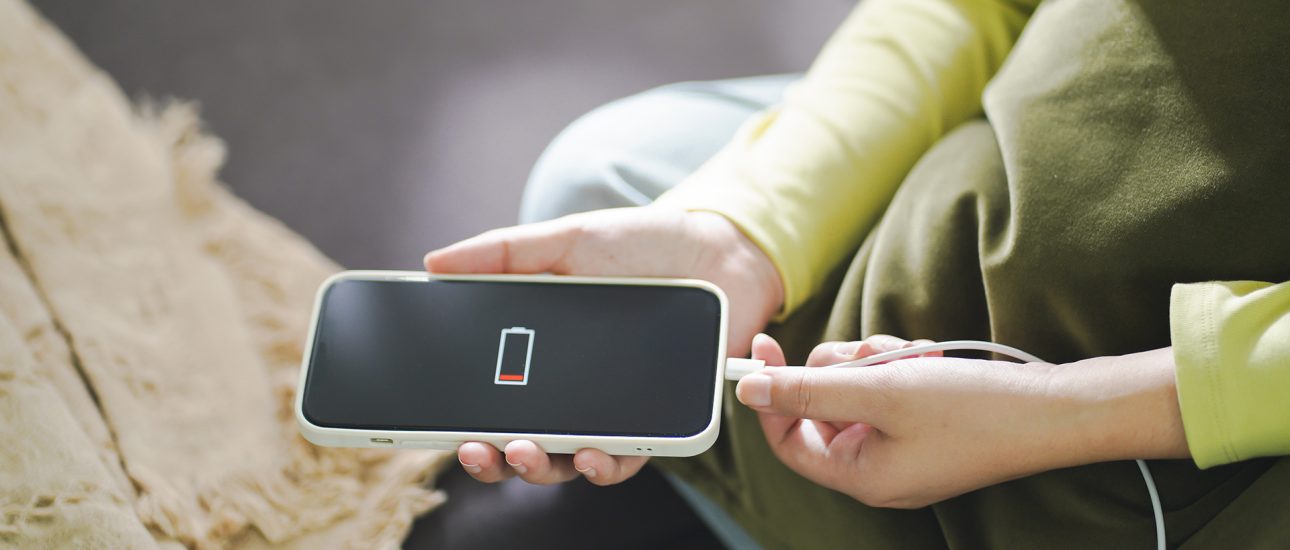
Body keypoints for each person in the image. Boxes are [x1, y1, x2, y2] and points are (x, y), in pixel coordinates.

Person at [425, 0, 1290, 546]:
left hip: (1202, 459)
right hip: (934, 236)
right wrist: (746, 230)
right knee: (597, 175)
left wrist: (1069, 414)